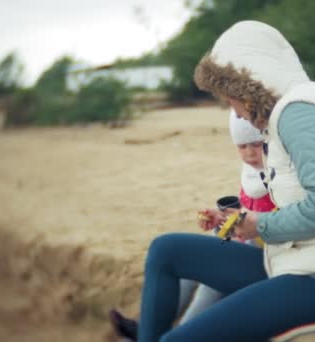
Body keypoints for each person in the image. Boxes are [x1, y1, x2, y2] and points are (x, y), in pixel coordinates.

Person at [113, 20, 315, 341]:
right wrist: (242, 220)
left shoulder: (299, 113)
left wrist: (259, 225)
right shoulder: (289, 112)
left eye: (231, 99)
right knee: (166, 251)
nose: (236, 113)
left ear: (248, 86)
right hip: (294, 262)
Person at [109, 109, 276, 339]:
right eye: (242, 146)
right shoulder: (251, 175)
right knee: (196, 256)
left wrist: (241, 229)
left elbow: (278, 224)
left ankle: (182, 331)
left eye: (256, 145)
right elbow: (247, 213)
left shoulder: (280, 178)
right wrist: (221, 218)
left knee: (213, 274)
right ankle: (149, 326)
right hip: (250, 247)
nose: (249, 154)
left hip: (271, 261)